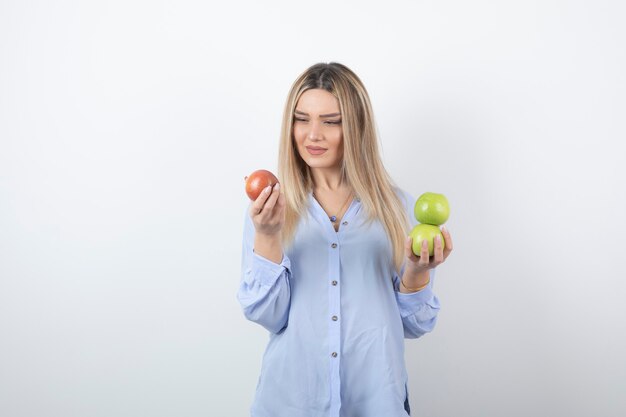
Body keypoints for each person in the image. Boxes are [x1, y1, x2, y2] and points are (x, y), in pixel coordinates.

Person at [237, 62, 453, 417]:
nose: (312, 135)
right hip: (289, 403)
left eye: (331, 121)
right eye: (301, 119)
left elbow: (415, 325)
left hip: (376, 403)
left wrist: (416, 272)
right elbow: (268, 316)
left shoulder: (400, 210)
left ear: (356, 126)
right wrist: (268, 236)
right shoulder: (271, 209)